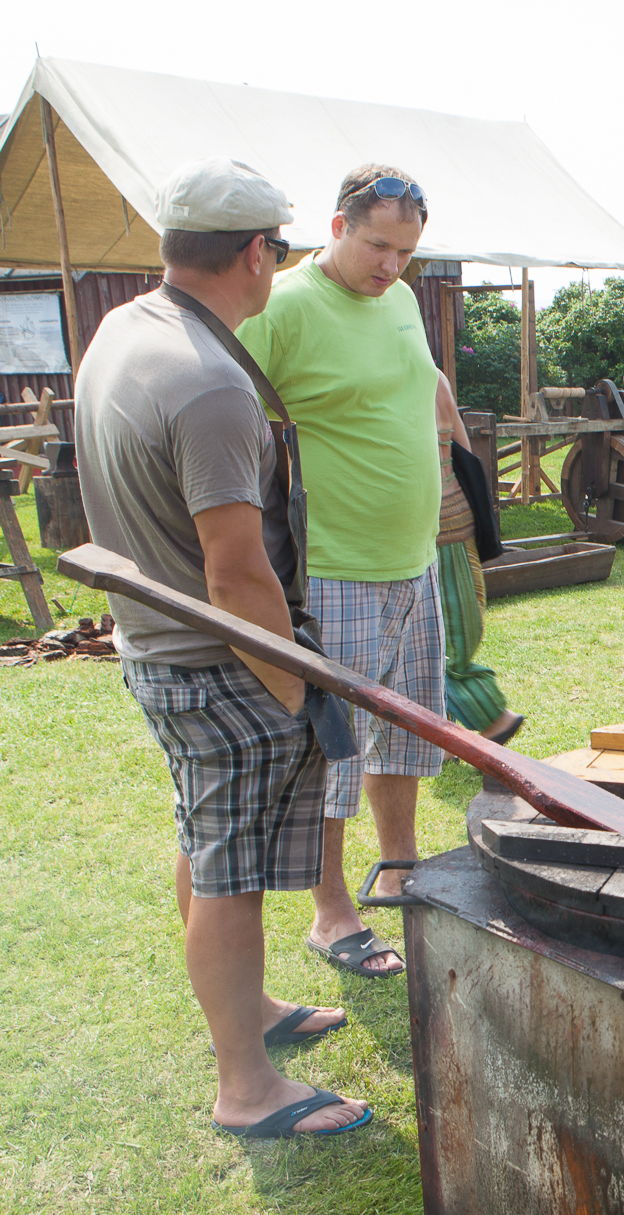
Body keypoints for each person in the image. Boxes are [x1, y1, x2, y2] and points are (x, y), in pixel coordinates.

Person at [76, 157, 368, 1137]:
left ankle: (248, 1014)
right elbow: (236, 570)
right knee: (231, 872)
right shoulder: (210, 385)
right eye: (277, 250)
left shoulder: (126, 330)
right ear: (254, 253)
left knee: (207, 846)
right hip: (213, 662)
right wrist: (292, 694)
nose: (277, 266)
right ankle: (246, 1089)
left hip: (159, 649)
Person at [238, 165, 443, 979]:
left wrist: (452, 455)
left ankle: (400, 870)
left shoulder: (399, 299)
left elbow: (422, 385)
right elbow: (229, 418)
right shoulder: (282, 309)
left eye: (407, 251)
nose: (392, 265)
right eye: (378, 245)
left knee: (408, 733)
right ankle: (332, 913)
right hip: (333, 570)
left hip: (414, 562)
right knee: (333, 751)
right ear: (336, 226)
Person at [433, 371, 522, 744]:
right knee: (453, 632)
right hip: (444, 519)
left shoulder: (426, 377)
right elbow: (465, 452)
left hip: (444, 522)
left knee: (452, 629)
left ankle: (461, 724)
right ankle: (487, 718)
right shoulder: (432, 375)